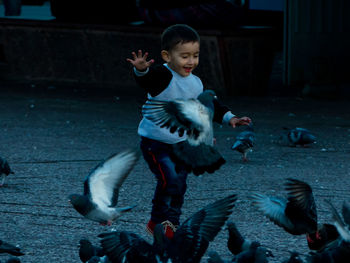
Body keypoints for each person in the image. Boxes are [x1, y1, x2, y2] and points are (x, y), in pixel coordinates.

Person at [126, 24, 251, 239]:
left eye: (195, 55)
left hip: (183, 144)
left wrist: (231, 118)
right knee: (170, 180)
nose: (191, 61)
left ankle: (170, 225)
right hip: (156, 142)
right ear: (167, 56)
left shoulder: (195, 82)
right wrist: (141, 69)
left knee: (179, 185)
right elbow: (147, 81)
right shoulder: (163, 76)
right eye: (184, 56)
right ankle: (157, 220)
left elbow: (210, 104)